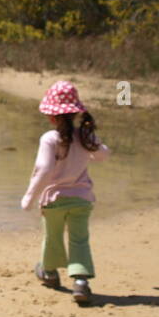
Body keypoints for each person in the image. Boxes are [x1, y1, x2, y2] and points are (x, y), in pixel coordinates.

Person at [20, 81, 110, 305]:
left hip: (54, 200)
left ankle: (49, 273)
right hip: (81, 199)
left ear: (52, 117)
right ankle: (81, 282)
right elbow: (102, 155)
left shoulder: (50, 138)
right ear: (75, 113)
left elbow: (44, 169)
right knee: (80, 239)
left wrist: (29, 198)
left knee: (52, 236)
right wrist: (93, 144)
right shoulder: (85, 137)